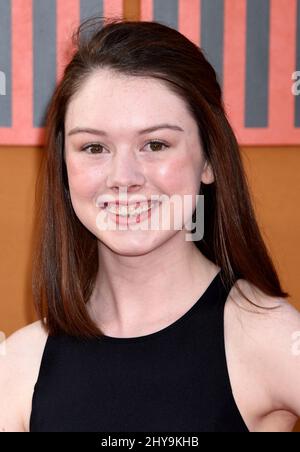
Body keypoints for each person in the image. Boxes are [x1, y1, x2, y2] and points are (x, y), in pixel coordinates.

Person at [1, 17, 300, 433]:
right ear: (64, 169)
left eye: (156, 144)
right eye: (93, 147)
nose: (124, 176)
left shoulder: (269, 337)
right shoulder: (19, 365)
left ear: (210, 160)